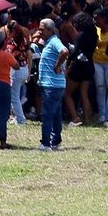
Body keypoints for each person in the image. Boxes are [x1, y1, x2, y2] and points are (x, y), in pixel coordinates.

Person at [36, 18, 70, 151]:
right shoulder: (49, 41)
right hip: (55, 85)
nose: (40, 31)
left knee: (47, 114)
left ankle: (45, 143)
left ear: (50, 30)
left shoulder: (55, 41)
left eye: (42, 29)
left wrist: (57, 65)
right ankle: (56, 140)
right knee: (55, 113)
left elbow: (65, 51)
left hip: (51, 85)